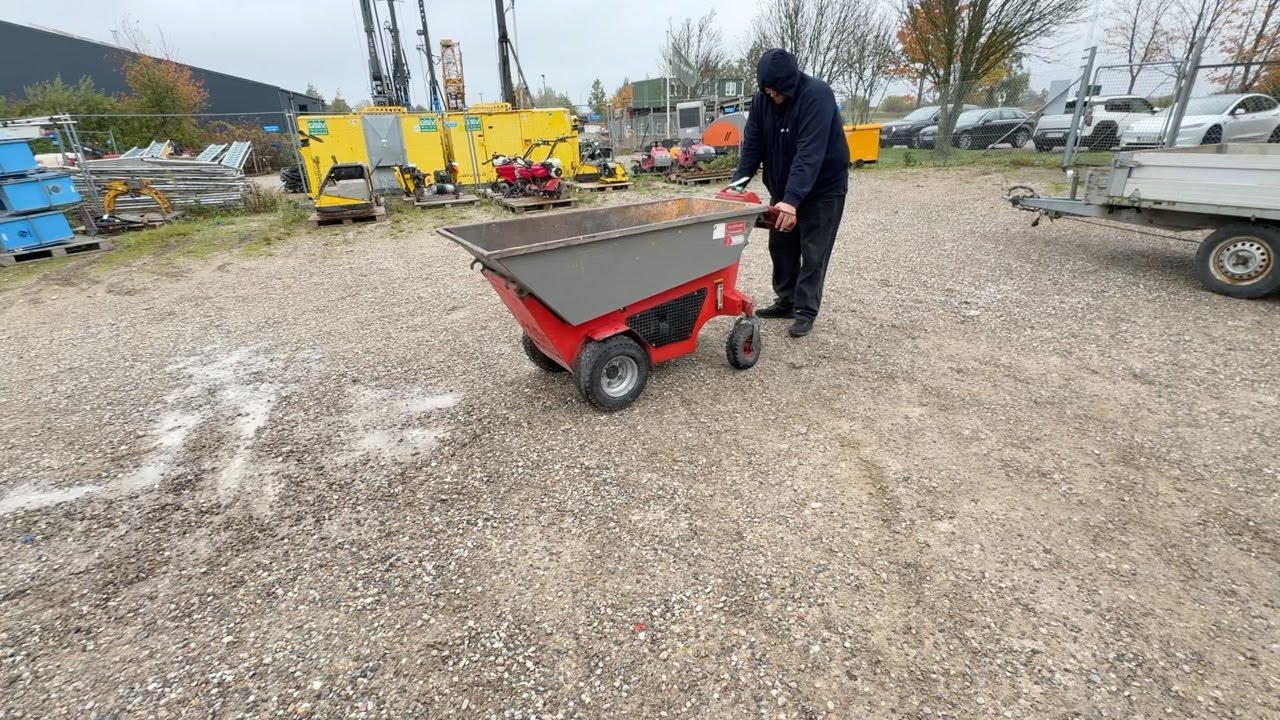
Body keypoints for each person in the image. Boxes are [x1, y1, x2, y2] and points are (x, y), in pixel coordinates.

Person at [730, 48, 850, 338]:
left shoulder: (816, 96)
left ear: (789, 82)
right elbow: (752, 148)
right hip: (785, 191)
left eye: (775, 88)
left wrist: (792, 201)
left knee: (814, 250)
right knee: (781, 245)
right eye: (766, 88)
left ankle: (806, 310)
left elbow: (809, 153)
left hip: (823, 189)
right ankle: (787, 301)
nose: (771, 93)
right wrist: (735, 188)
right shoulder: (762, 101)